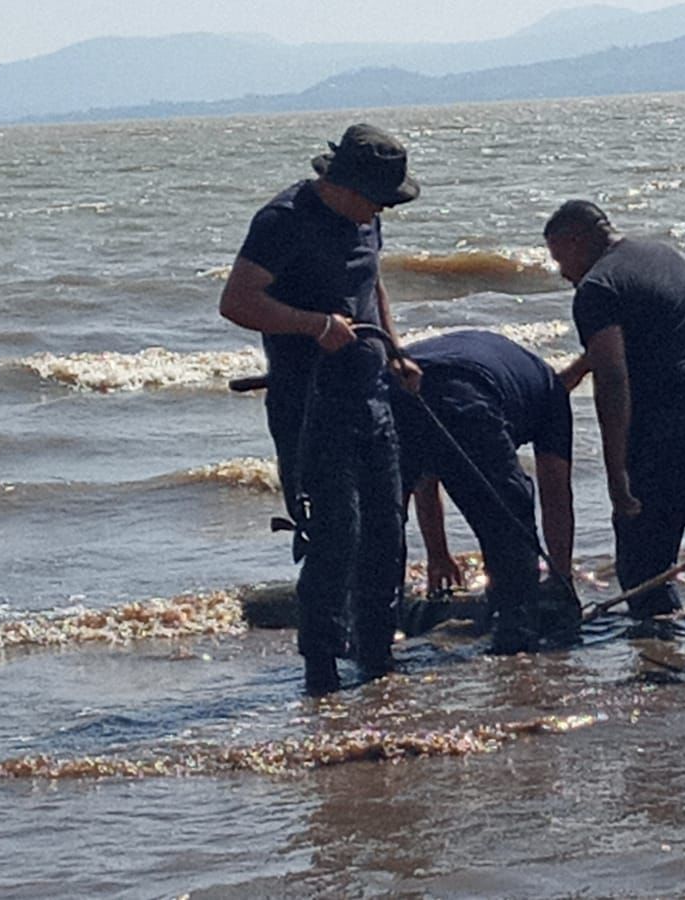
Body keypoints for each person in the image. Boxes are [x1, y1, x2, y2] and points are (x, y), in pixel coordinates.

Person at [218, 123, 422, 696]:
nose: (381, 211)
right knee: (335, 536)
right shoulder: (282, 221)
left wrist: (396, 350)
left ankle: (378, 661)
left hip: (370, 393)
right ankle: (322, 673)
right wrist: (313, 326)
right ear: (344, 184)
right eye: (377, 200)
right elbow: (236, 301)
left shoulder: (367, 217)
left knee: (387, 530)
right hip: (309, 403)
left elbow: (372, 283)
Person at [543, 200, 685, 620]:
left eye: (560, 257)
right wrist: (569, 375)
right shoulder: (660, 255)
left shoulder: (596, 288)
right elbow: (648, 331)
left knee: (642, 567)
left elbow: (614, 379)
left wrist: (616, 472)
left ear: (577, 240)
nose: (563, 272)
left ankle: (660, 665)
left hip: (668, 431)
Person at [391, 330, 578, 654]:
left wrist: (438, 554)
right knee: (509, 523)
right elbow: (556, 495)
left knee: (384, 522)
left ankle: (375, 636)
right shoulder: (552, 395)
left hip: (401, 382)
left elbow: (425, 472)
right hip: (468, 392)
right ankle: (516, 635)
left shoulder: (525, 378)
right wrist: (562, 578)